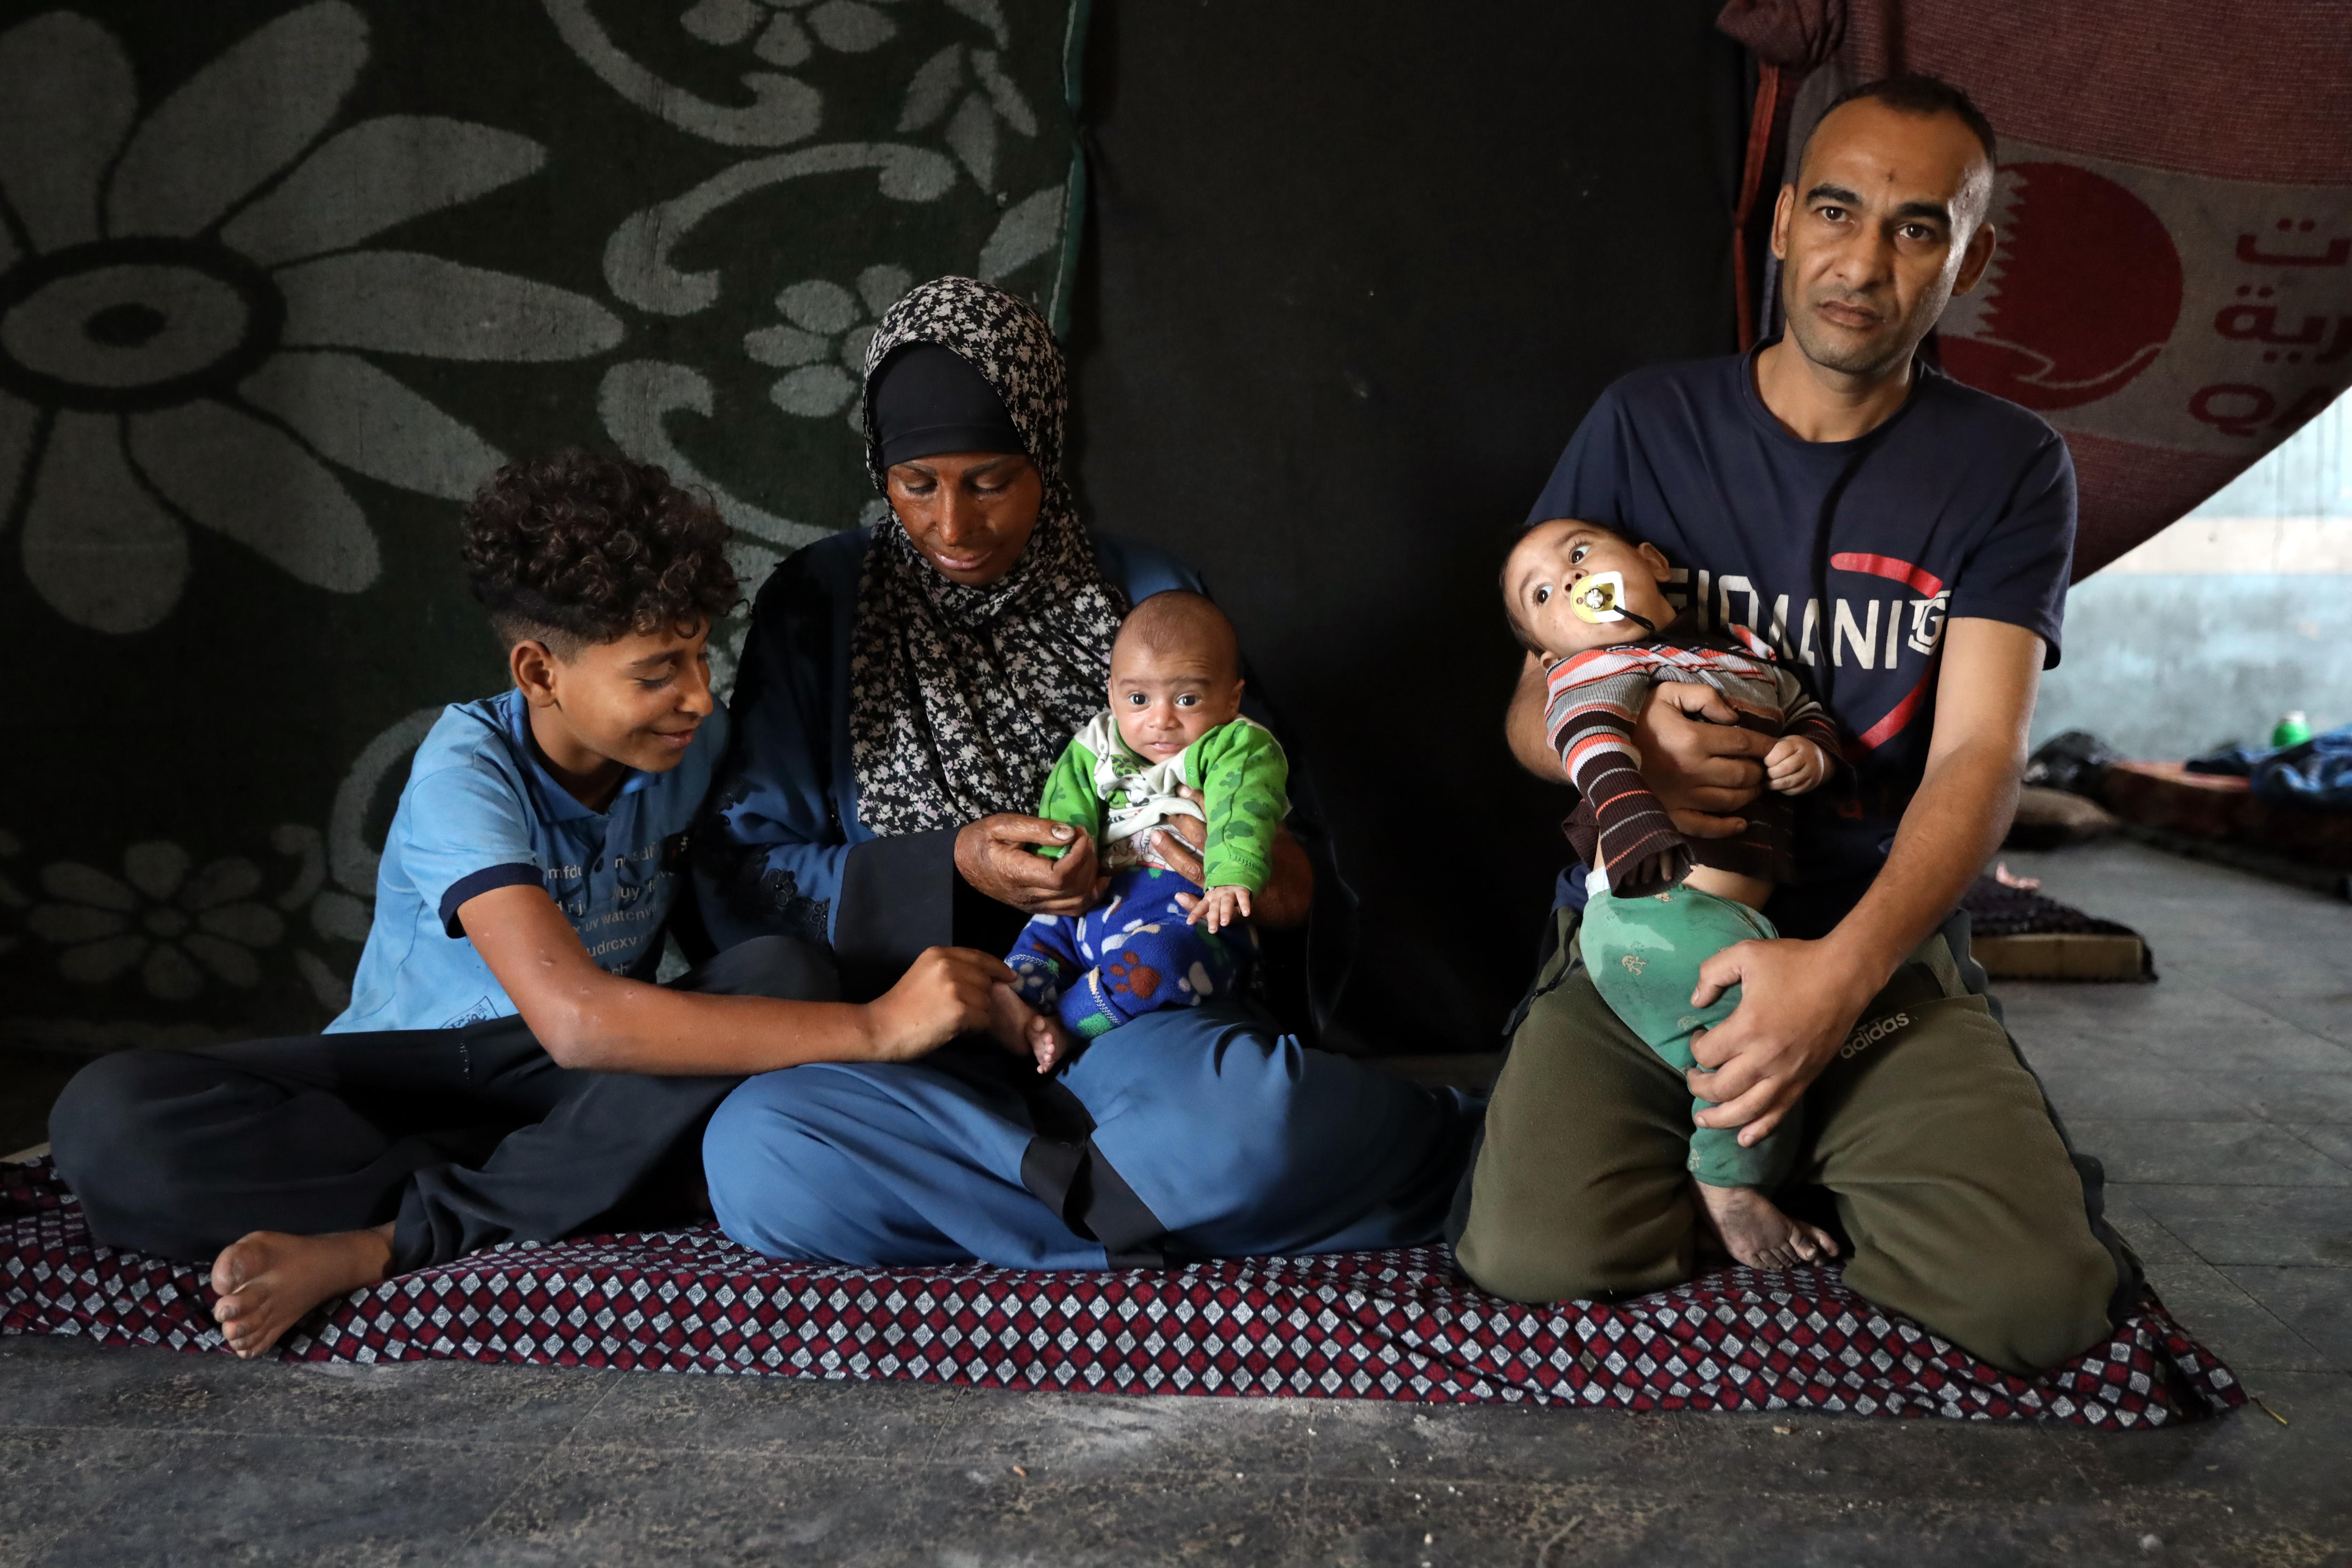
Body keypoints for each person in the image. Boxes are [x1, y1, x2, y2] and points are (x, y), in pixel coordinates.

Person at [1454, 73, 2137, 1376]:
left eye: (1918, 227)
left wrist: (1835, 982)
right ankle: (1756, 1141)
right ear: (1779, 226)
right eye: (1836, 210)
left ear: (1968, 259)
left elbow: (1983, 756)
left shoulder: (2007, 464)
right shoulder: (1647, 422)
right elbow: (1529, 710)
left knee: (2036, 1302)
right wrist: (1628, 753)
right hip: (1648, 942)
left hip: (1866, 951)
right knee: (1537, 1258)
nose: (1863, 261)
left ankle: (1866, 1122)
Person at [48, 452, 1019, 1358]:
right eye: (655, 671)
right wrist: (876, 1026)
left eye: (697, 657)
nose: (694, 695)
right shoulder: (463, 771)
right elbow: (575, 1020)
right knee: (109, 1117)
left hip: (582, 1095)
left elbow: (759, 918)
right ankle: (571, 1185)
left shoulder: (697, 747)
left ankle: (397, 1233)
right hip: (418, 1078)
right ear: (539, 673)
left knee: (782, 970)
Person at [694, 275, 1476, 1270]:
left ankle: (1041, 1197)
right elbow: (738, 871)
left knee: (1256, 1117)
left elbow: (1294, 857)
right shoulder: (822, 603)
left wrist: (1256, 877)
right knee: (758, 1152)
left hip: (1137, 1027)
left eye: (989, 480)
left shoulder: (1148, 593)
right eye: (916, 482)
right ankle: (1117, 1198)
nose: (952, 526)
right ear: (876, 468)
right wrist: (953, 867)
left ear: (1045, 453)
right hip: (918, 1035)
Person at [1502, 518, 1842, 1268]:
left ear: (1652, 563)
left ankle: (1699, 1137)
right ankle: (1728, 1186)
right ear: (1549, 650)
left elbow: (1805, 709)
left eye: (1581, 554)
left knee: (1753, 1032)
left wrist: (1810, 752)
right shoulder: (1597, 670)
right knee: (1752, 1030)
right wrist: (1626, 807)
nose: (1572, 579)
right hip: (1648, 910)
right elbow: (1588, 733)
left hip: (1723, 918)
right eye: (1545, 592)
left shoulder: (1744, 659)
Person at [1006, 589, 1289, 1072]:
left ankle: (1073, 1023)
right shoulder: (1096, 745)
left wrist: (1229, 876)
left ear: (1231, 697)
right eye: (1138, 698)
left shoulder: (1234, 747)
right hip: (1093, 907)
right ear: (1112, 692)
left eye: (1187, 699)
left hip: (1187, 915)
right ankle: (1015, 1011)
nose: (1160, 720)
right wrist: (1064, 868)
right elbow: (1064, 808)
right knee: (1034, 944)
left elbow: (1245, 810)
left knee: (1161, 957)